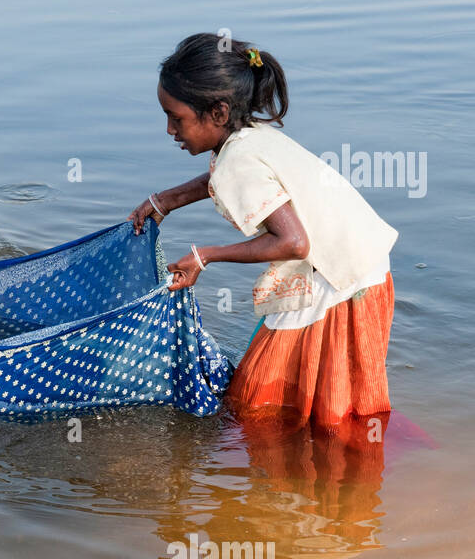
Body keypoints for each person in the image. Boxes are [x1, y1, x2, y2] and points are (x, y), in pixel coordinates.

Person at [129, 32, 398, 427]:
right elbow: (227, 178)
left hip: (340, 280)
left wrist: (206, 256)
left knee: (263, 402)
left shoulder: (239, 157)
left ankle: (316, 469)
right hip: (358, 264)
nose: (171, 130)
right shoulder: (248, 136)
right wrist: (166, 200)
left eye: (177, 118)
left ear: (218, 113)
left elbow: (293, 242)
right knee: (299, 396)